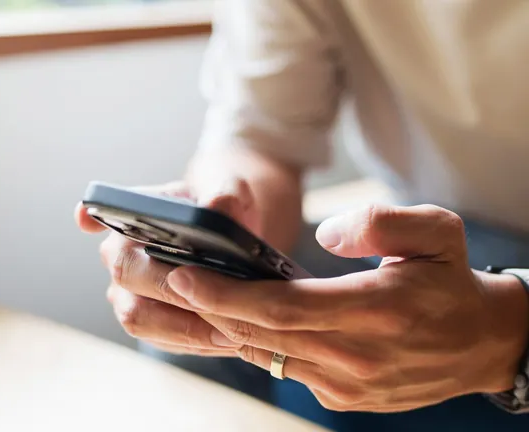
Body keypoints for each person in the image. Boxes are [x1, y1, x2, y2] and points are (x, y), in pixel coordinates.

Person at [75, 1, 529, 430]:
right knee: (192, 323)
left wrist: (510, 331)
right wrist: (219, 211)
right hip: (452, 230)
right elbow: (261, 137)